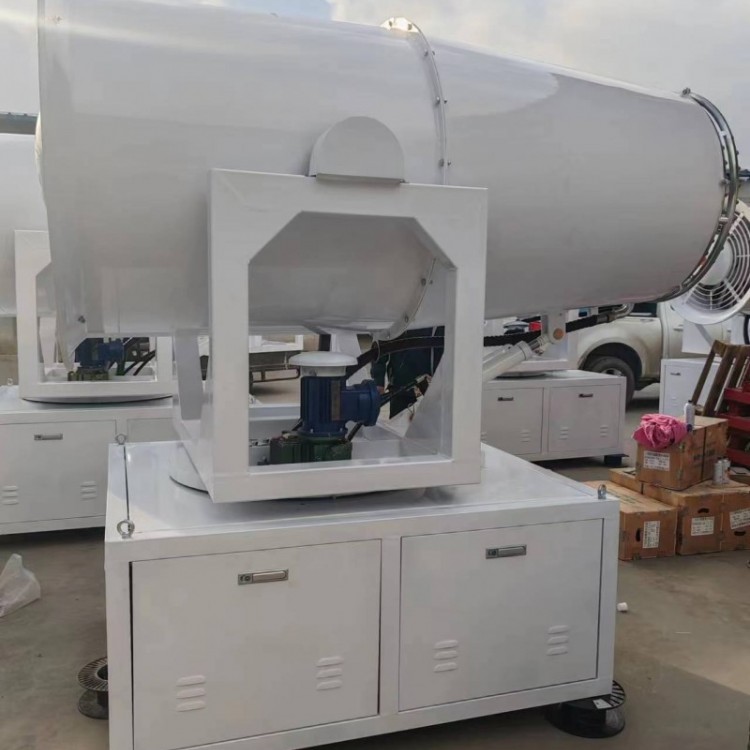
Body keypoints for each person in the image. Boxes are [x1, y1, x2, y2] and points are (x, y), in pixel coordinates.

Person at [371, 326, 444, 418]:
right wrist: (378, 381)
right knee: (399, 424)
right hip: (400, 391)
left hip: (436, 394)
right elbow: (380, 338)